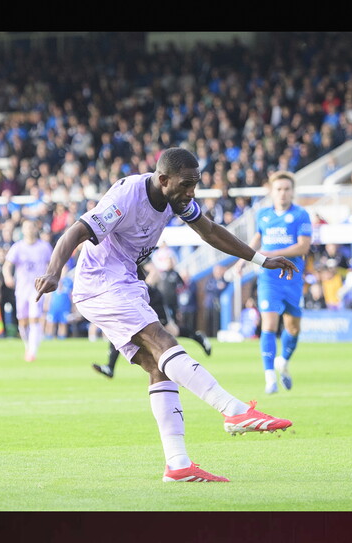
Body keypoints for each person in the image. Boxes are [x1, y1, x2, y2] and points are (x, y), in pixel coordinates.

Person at [35, 147, 296, 483]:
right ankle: (233, 411)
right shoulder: (127, 195)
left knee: (158, 366)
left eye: (196, 184)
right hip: (101, 281)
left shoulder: (178, 200)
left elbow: (210, 231)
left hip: (125, 280)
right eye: (186, 185)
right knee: (163, 340)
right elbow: (76, 232)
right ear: (163, 179)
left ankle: (178, 464)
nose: (191, 192)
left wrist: (260, 259)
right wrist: (55, 271)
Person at [240, 170, 312, 394]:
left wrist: (271, 254)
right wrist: (244, 258)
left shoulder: (301, 215)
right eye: (279, 189)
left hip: (292, 278)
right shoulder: (263, 215)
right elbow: (256, 240)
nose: (283, 193)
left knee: (293, 328)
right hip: (268, 278)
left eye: (287, 189)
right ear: (271, 192)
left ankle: (283, 362)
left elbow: (303, 247)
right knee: (269, 325)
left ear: (292, 191)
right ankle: (269, 377)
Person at [92, 261, 212, 378]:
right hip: (127, 298)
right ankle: (110, 367)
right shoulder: (110, 256)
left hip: (149, 297)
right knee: (119, 327)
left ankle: (197, 337)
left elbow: (154, 272)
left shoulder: (132, 249)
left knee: (170, 330)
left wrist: (141, 287)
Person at [3, 220, 53, 361]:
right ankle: (28, 346)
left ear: (35, 229)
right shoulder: (18, 247)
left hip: (37, 289)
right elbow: (7, 265)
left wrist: (52, 280)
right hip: (22, 289)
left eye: (31, 227)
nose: (29, 230)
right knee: (23, 321)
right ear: (23, 230)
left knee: (35, 318)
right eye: (26, 228)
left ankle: (32, 351)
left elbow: (53, 264)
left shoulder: (44, 247)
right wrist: (8, 277)